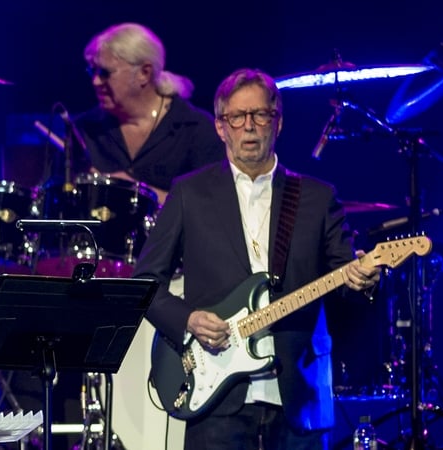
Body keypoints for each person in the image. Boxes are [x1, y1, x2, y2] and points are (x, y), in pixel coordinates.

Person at [132, 68, 381, 449]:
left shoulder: (316, 197)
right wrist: (188, 320)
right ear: (220, 127)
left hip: (299, 392)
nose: (249, 127)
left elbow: (344, 279)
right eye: (237, 117)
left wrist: (364, 278)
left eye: (260, 115)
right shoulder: (189, 194)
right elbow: (144, 283)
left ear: (277, 123)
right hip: (213, 394)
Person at [75, 22, 226, 205]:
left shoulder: (197, 130)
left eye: (105, 73)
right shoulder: (85, 130)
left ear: (144, 73)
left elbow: (212, 206)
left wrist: (133, 189)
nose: (96, 81)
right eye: (92, 71)